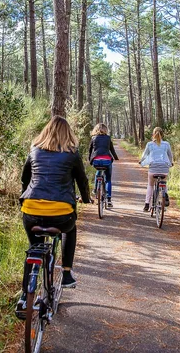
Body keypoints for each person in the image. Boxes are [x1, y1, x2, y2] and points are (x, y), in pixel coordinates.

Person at [16, 116, 90, 315]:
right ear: (68, 134)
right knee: (71, 229)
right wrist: (86, 198)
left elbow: (25, 179)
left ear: (46, 131)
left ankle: (24, 297)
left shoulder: (34, 150)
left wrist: (24, 198)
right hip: (61, 215)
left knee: (34, 248)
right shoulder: (72, 154)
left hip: (31, 211)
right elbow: (82, 181)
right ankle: (66, 273)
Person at [139, 127, 173, 212]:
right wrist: (171, 163)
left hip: (153, 168)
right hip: (164, 168)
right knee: (164, 183)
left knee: (150, 185)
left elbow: (145, 155)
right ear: (162, 134)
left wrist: (141, 161)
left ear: (153, 134)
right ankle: (165, 194)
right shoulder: (166, 144)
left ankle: (147, 204)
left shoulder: (149, 144)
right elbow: (170, 156)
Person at [88, 123, 119, 207]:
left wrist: (90, 160)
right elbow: (112, 150)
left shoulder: (93, 138)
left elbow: (90, 150)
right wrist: (116, 158)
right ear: (105, 130)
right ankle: (109, 199)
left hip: (96, 161)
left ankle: (95, 189)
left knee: (98, 171)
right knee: (108, 179)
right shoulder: (108, 138)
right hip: (107, 161)